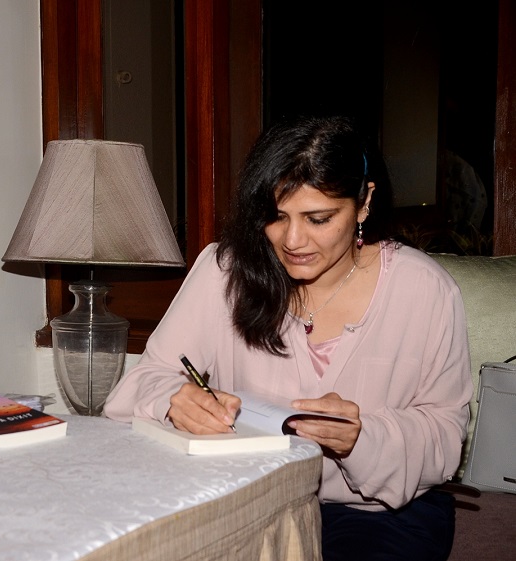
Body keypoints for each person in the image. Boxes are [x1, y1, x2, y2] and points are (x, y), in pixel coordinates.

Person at [103, 116, 472, 561]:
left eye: (318, 219)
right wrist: (174, 401)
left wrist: (363, 437)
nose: (293, 240)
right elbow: (138, 386)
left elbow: (447, 437)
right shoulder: (225, 272)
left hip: (378, 513)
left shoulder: (424, 290)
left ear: (364, 202)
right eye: (276, 217)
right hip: (245, 498)